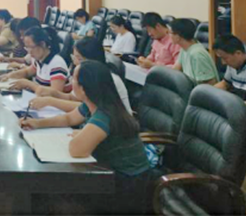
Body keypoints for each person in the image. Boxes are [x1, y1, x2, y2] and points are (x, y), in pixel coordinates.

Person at [20, 61, 150, 215]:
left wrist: (82, 134)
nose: (71, 81)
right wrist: (37, 124)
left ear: (83, 88)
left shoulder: (105, 115)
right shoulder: (94, 103)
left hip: (126, 186)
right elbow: (69, 118)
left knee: (47, 194)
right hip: (112, 173)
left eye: (74, 79)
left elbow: (76, 150)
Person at [28, 37, 132, 114]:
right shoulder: (86, 74)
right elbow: (72, 98)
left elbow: (86, 108)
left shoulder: (104, 78)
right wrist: (53, 93)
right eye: (74, 57)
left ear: (92, 60)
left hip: (117, 128)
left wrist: (50, 101)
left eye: (79, 58)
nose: (75, 62)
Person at [0, 27, 70, 93]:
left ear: (42, 44)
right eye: (27, 47)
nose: (29, 51)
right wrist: (8, 76)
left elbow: (56, 93)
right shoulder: (38, 59)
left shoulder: (57, 64)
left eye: (31, 47)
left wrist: (29, 84)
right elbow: (27, 72)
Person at [170, 19, 218, 85]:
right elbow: (175, 69)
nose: (169, 35)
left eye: (170, 33)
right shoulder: (184, 49)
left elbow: (209, 84)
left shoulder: (197, 54)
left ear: (178, 37)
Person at [213, 34, 246, 104]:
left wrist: (236, 106)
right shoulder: (232, 65)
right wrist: (208, 92)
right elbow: (225, 84)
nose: (223, 63)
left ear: (238, 53)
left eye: (225, 58)